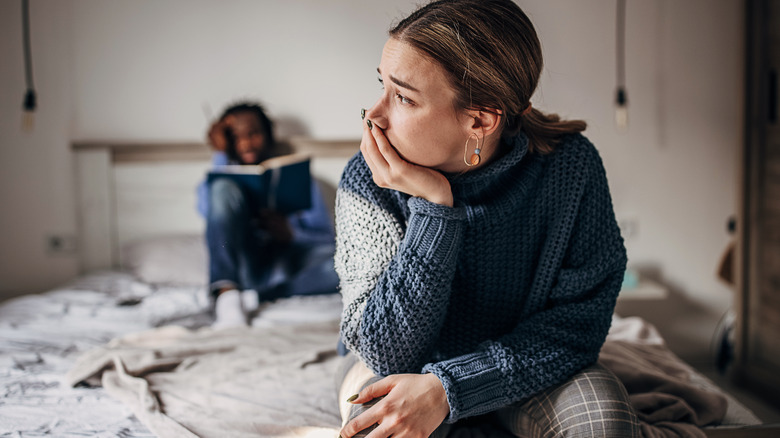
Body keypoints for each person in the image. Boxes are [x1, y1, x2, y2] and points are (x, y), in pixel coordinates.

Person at [334, 1, 640, 437]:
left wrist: (451, 386)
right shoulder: (366, 180)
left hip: (527, 366)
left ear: (479, 120)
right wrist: (435, 210)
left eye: (402, 96)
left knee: (604, 424)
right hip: (400, 367)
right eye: (382, 85)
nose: (372, 115)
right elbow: (385, 353)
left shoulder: (570, 169)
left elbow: (577, 327)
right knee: (376, 430)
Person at [197, 102, 339, 328]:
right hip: (247, 266)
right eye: (235, 137)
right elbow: (209, 214)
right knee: (222, 188)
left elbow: (326, 237)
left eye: (253, 134)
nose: (245, 143)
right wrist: (220, 154)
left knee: (345, 264)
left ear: (268, 135)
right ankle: (227, 294)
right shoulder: (218, 184)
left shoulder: (304, 181)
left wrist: (292, 234)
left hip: (289, 266)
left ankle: (258, 297)